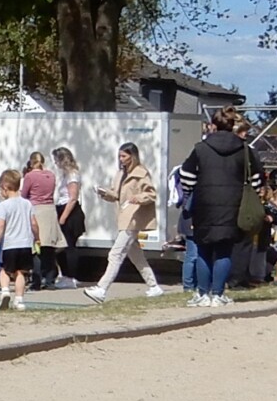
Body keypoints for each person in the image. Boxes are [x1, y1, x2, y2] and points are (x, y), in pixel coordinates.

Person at [176, 105, 253, 307]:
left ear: (213, 125)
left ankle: (203, 294)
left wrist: (192, 191)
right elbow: (256, 177)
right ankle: (218, 294)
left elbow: (185, 175)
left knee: (203, 250)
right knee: (224, 251)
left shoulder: (201, 148)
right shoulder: (244, 149)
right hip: (233, 204)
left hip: (205, 204)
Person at [84, 143, 164, 301]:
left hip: (133, 219)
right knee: (136, 255)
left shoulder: (141, 173)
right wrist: (104, 193)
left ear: (132, 156)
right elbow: (116, 195)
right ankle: (154, 286)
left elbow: (151, 194)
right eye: (120, 156)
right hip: (124, 217)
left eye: (124, 156)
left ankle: (101, 289)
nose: (121, 159)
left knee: (115, 253)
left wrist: (138, 198)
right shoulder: (120, 174)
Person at [0, 168, 35, 310]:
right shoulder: (27, 204)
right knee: (20, 273)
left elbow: (0, 225)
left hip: (10, 244)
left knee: (4, 269)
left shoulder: (3, 206)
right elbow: (34, 223)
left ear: (5, 187)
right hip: (25, 243)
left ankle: (5, 291)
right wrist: (37, 238)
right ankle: (19, 300)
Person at [18, 151, 58, 289]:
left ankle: (36, 281)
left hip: (36, 210)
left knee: (36, 248)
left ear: (31, 162)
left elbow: (24, 195)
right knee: (49, 248)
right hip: (50, 210)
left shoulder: (29, 176)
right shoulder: (51, 175)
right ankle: (50, 280)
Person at [51, 146, 85, 287]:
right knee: (61, 246)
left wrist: (63, 218)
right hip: (62, 208)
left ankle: (71, 276)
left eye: (57, 160)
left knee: (69, 246)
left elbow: (73, 198)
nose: (55, 163)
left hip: (70, 212)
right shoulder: (65, 175)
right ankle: (65, 275)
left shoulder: (72, 175)